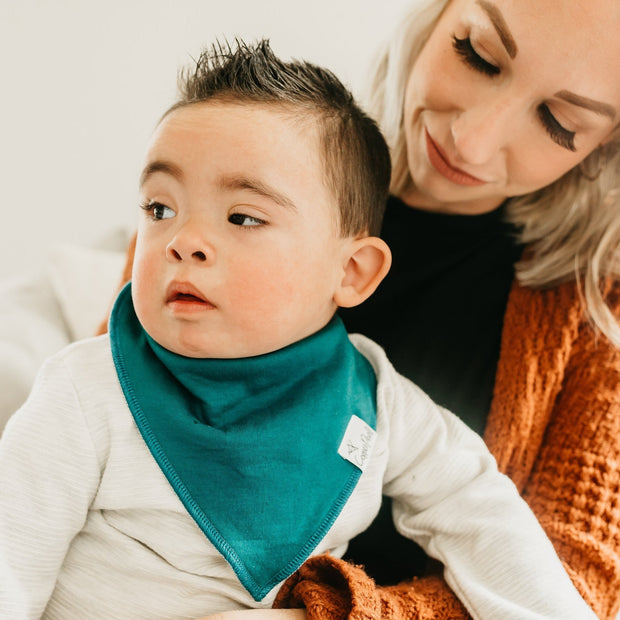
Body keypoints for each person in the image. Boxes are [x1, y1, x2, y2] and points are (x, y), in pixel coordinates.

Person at [0, 40, 598, 620]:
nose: (182, 241)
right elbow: (12, 558)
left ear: (351, 271)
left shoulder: (375, 404)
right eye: (160, 209)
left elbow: (479, 511)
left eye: (243, 217)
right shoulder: (88, 392)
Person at [267, 1, 620, 619]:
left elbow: (575, 587)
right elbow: (108, 406)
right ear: (436, 15)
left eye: (559, 123)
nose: (473, 141)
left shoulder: (599, 317)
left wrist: (317, 615)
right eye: (476, 55)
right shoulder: (252, 156)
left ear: (604, 148)